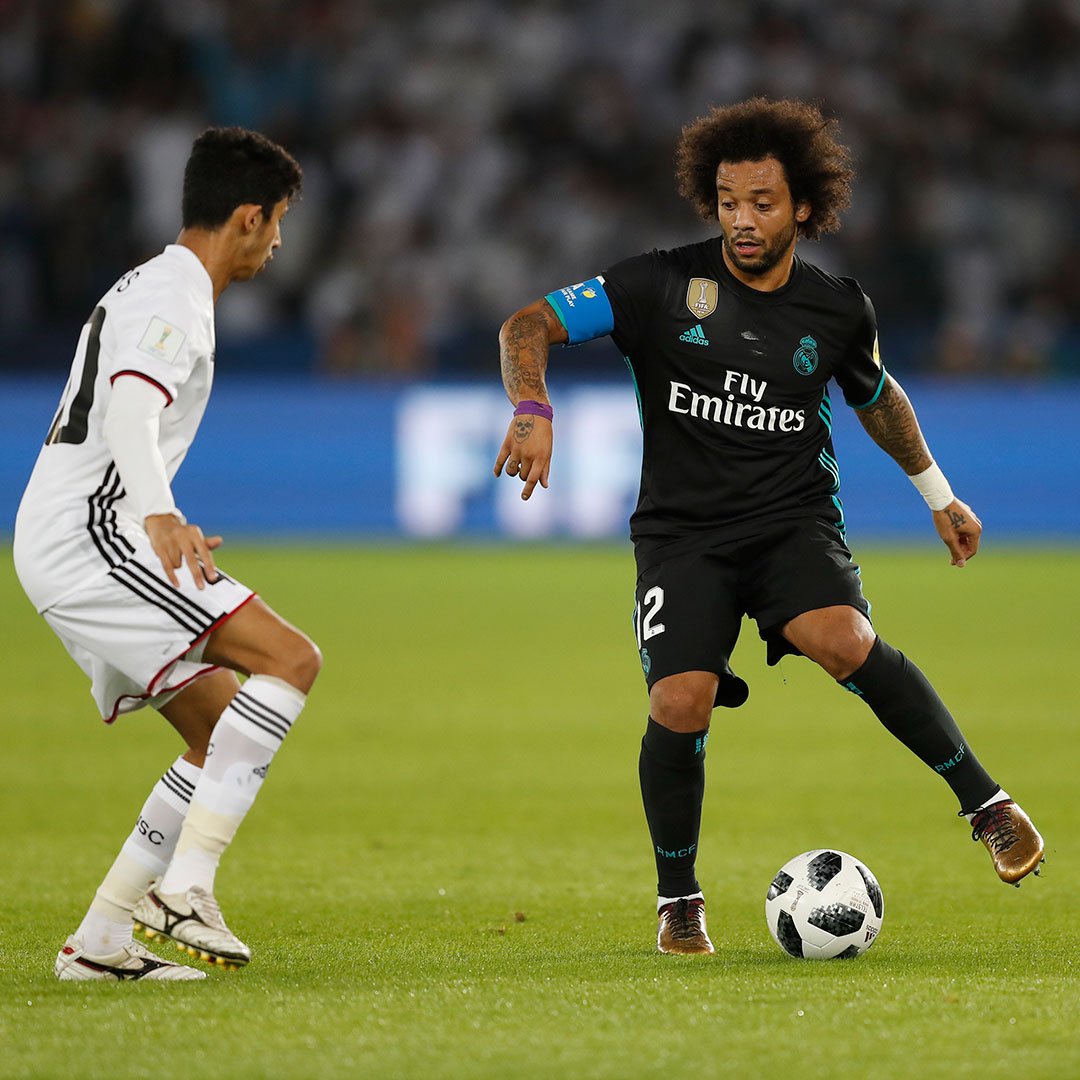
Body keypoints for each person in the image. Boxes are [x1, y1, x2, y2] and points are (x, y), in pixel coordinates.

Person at [493, 98, 1044, 955]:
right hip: (682, 535)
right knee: (680, 699)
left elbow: (878, 397)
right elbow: (526, 323)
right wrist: (532, 405)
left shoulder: (836, 309)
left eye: (761, 202)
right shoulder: (657, 285)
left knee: (843, 638)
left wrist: (938, 494)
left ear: (803, 208)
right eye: (727, 202)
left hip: (792, 521)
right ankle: (679, 899)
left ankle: (988, 805)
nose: (742, 220)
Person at [13, 127, 320, 980]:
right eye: (278, 221)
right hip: (90, 538)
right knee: (291, 659)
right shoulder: (176, 295)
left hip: (70, 535)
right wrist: (159, 514)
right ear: (249, 216)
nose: (279, 242)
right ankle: (185, 889)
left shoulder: (154, 283)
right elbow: (129, 410)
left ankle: (100, 942)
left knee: (220, 731)